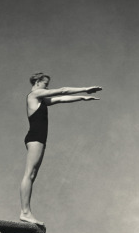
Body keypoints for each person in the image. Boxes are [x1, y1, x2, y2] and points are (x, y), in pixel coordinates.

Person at [20, 72, 102, 225]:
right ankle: (25, 212)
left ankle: (26, 212)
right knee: (29, 174)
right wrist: (85, 89)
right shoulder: (34, 94)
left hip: (39, 139)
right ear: (38, 82)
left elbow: (62, 98)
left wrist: (82, 98)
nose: (47, 87)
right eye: (46, 84)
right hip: (35, 137)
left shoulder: (42, 99)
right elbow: (63, 90)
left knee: (32, 175)